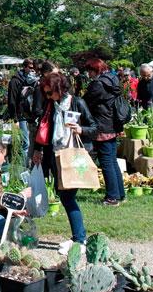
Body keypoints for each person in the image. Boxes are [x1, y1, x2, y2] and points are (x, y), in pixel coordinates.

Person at [32, 72, 93, 242]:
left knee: (68, 198)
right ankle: (79, 237)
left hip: (72, 156)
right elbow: (43, 128)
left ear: (60, 88)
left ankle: (80, 238)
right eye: (46, 93)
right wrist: (38, 149)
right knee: (64, 197)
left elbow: (94, 127)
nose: (48, 96)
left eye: (50, 92)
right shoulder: (51, 105)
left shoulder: (77, 103)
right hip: (55, 156)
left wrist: (81, 130)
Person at [82, 59, 125, 206]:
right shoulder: (113, 79)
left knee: (106, 162)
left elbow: (86, 102)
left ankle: (112, 197)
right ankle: (120, 194)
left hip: (102, 125)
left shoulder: (98, 84)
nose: (88, 74)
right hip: (112, 123)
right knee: (112, 160)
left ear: (95, 70)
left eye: (90, 70)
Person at [6, 59, 38, 168]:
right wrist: (14, 119)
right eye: (30, 67)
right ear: (24, 67)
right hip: (21, 115)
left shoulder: (33, 80)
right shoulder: (15, 81)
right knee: (26, 143)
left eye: (33, 68)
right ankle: (25, 168)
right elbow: (12, 100)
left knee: (32, 143)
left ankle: (30, 165)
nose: (32, 70)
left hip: (32, 116)